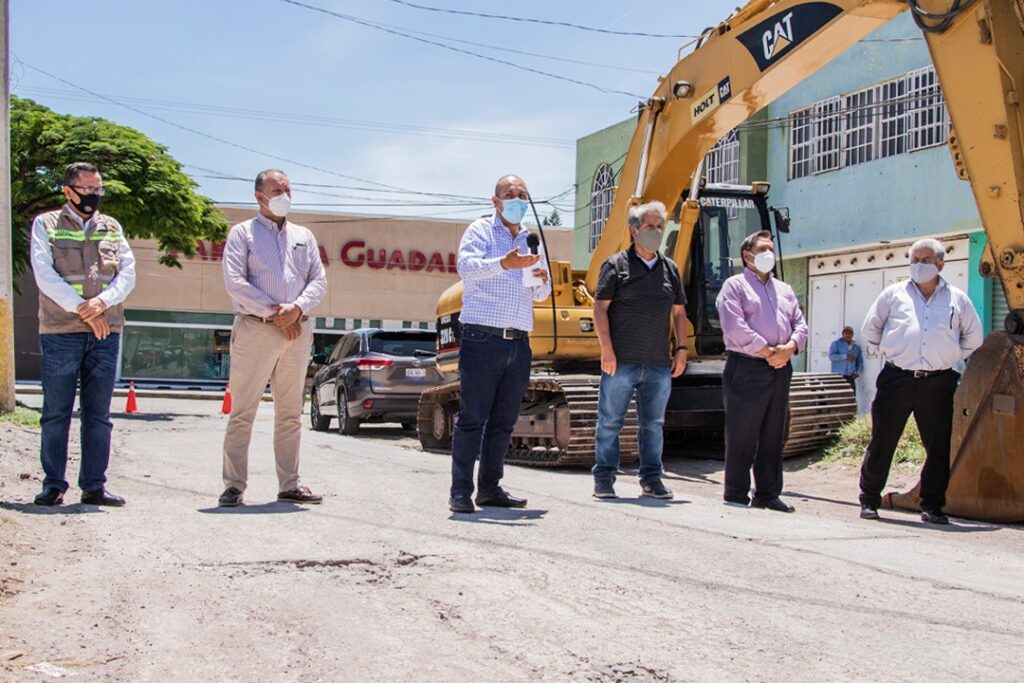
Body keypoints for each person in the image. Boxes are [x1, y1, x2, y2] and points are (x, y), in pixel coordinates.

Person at [218, 169, 327, 507]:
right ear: (259, 196)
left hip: (297, 330)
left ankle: (289, 483)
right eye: (277, 190)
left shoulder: (303, 236)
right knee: (243, 411)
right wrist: (278, 314)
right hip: (256, 328)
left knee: (291, 412)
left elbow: (318, 281)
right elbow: (235, 282)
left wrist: (297, 308)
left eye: (288, 189)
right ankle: (234, 485)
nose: (285, 195)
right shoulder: (242, 233)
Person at [30, 162, 136, 507]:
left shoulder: (112, 227)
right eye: (87, 189)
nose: (94, 195)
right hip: (61, 330)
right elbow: (44, 273)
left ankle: (94, 486)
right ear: (68, 191)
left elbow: (128, 273)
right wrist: (83, 309)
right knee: (56, 412)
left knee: (98, 416)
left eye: (98, 189)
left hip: (105, 332)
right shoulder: (46, 224)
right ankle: (53, 485)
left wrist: (102, 303)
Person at [858, 238, 983, 524]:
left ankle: (932, 505)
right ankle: (869, 499)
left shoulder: (957, 299)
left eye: (925, 260)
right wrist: (893, 350)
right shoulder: (893, 294)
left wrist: (949, 356)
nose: (918, 265)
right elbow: (870, 329)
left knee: (938, 447)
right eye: (914, 260)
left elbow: (974, 338)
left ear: (940, 264)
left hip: (938, 383)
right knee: (883, 440)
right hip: (896, 379)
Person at [448, 174, 551, 514]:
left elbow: (541, 294)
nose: (517, 199)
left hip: (518, 343)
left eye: (522, 194)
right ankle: (460, 492)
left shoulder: (530, 239)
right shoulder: (480, 230)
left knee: (504, 422)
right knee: (472, 419)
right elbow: (466, 268)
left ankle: (490, 488)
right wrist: (504, 263)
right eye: (510, 194)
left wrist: (540, 280)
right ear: (495, 201)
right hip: (482, 339)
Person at [591, 201, 687, 500]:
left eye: (660, 226)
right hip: (621, 361)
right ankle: (604, 479)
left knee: (653, 425)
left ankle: (651, 479)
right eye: (649, 226)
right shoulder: (615, 265)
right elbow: (600, 308)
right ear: (634, 231)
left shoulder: (670, 269)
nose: (656, 231)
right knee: (610, 422)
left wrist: (682, 349)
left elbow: (679, 312)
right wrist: (606, 350)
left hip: (658, 363)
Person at [715, 230, 808, 513]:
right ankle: (736, 493)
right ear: (747, 255)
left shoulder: (784, 289)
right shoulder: (734, 286)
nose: (769, 254)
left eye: (771, 249)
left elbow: (800, 324)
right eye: (762, 249)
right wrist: (768, 352)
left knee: (773, 432)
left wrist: (789, 348)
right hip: (747, 367)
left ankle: (767, 493)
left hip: (780, 368)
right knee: (742, 432)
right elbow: (734, 326)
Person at [828, 326, 863, 391]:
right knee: (836, 396)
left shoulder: (856, 348)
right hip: (837, 376)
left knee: (850, 396)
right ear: (842, 334)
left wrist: (857, 372)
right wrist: (845, 356)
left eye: (849, 333)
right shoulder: (836, 343)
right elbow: (831, 357)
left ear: (852, 334)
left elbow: (860, 362)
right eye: (846, 333)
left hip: (850, 377)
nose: (847, 335)